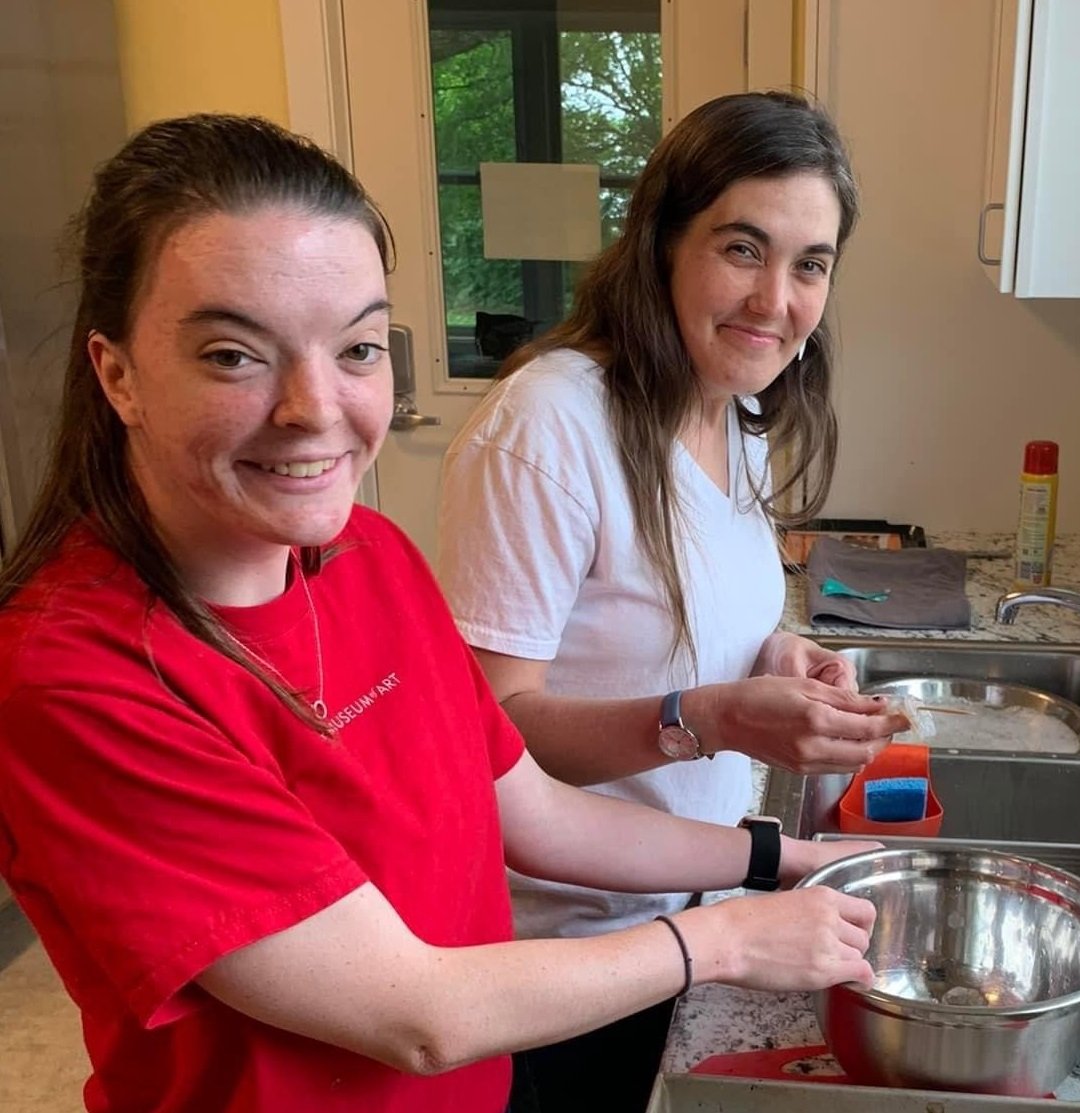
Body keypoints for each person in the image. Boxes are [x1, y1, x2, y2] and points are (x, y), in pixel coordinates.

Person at [0, 114, 880, 1113]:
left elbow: (533, 815)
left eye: (359, 348)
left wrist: (784, 858)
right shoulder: (78, 677)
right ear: (116, 372)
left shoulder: (369, 561)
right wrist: (720, 939)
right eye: (234, 356)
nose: (314, 408)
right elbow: (413, 1014)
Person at [435, 91, 903, 1111]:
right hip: (570, 956)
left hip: (694, 911)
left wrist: (769, 655)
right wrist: (717, 717)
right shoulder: (549, 426)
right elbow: (498, 738)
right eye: (742, 247)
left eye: (810, 264)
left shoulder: (734, 409)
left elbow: (657, 622)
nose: (776, 299)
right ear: (660, 243)